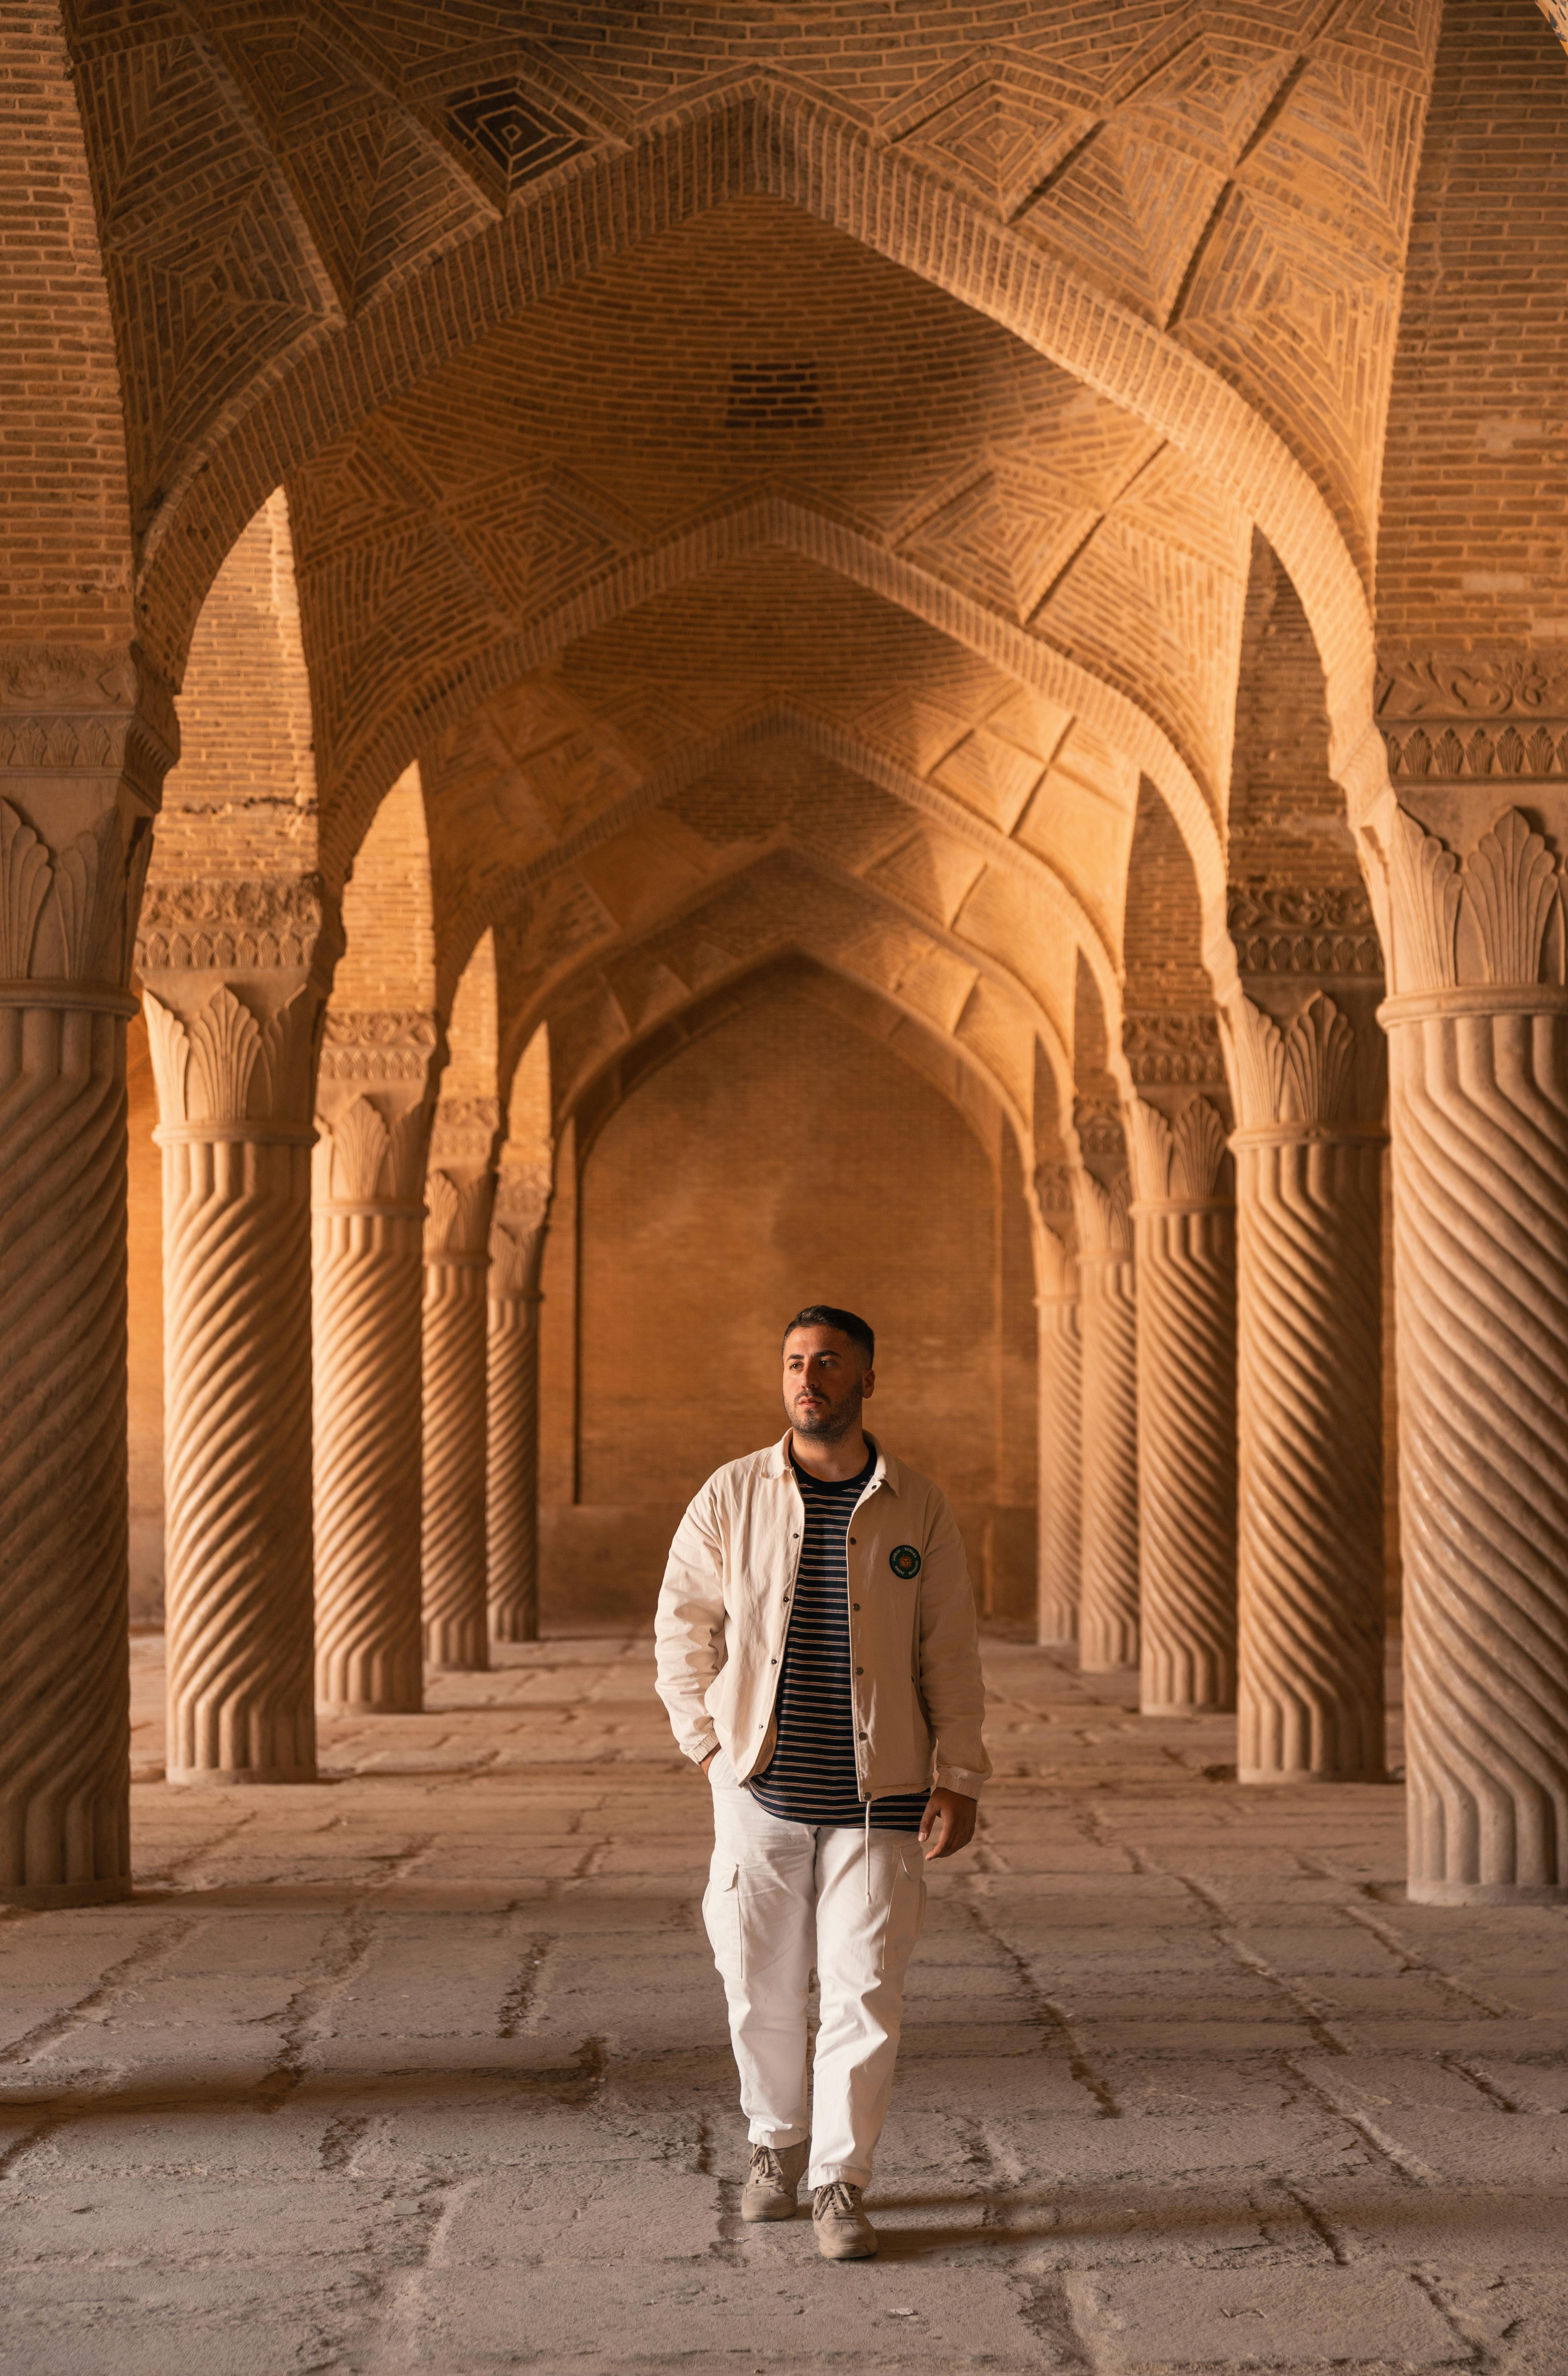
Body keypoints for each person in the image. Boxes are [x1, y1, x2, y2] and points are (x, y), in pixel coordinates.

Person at [654, 1304, 990, 2261]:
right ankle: (775, 2146)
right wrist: (710, 1753)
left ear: (866, 1381)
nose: (810, 1379)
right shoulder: (731, 1495)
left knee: (864, 1991)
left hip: (880, 1800)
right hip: (758, 1789)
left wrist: (959, 1774)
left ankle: (840, 2182)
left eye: (831, 1364)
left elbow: (950, 1649)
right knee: (756, 1985)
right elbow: (682, 1628)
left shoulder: (917, 1506)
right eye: (797, 1363)